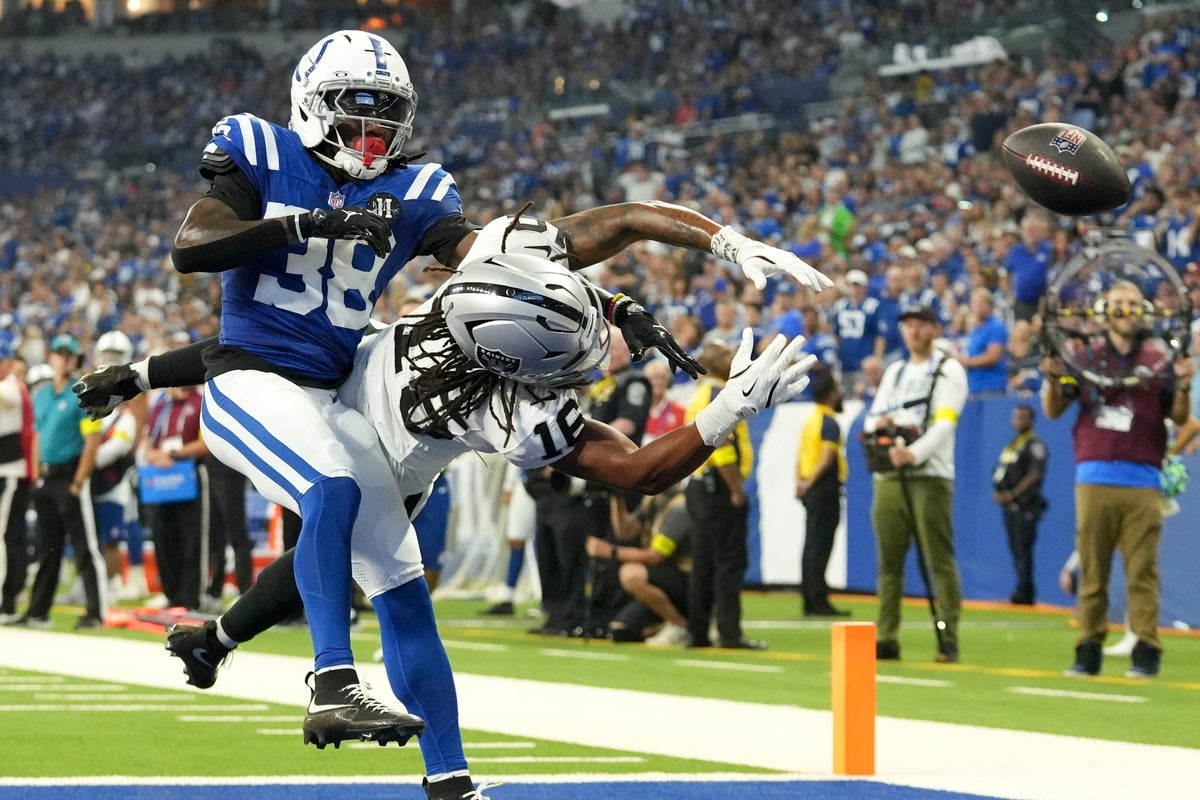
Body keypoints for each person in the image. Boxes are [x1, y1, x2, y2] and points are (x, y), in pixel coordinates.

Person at [73, 208, 828, 800]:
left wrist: (714, 247)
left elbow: (621, 222)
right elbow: (637, 473)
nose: (596, 349)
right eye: (574, 351)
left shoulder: (491, 278)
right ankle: (442, 774)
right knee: (398, 591)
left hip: (347, 383)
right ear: (514, 365)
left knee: (325, 537)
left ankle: (213, 642)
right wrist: (728, 409)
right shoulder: (508, 409)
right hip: (366, 460)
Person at [1042, 280, 1194, 679]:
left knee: (1142, 571)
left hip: (1143, 477)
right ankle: (1088, 648)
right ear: (1104, 310)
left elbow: (1180, 417)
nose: (1124, 309)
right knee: (1093, 570)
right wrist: (1053, 378)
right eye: (1117, 303)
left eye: (1131, 302)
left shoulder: (1158, 360)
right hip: (1094, 474)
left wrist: (1183, 384)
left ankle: (1146, 650)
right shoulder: (1086, 357)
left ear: (1143, 309)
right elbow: (1055, 408)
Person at [863, 304, 968, 663]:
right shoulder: (894, 371)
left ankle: (948, 635)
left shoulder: (949, 369)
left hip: (929, 474)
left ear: (934, 329)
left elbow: (945, 422)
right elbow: (870, 420)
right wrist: (880, 426)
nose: (914, 332)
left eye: (921, 325)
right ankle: (886, 635)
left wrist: (915, 452)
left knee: (938, 559)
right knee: (888, 563)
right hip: (890, 475)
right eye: (908, 325)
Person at [13, 334, 104, 630]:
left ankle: (96, 611)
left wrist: (78, 481)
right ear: (51, 357)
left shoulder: (82, 393)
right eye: (59, 353)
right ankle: (39, 611)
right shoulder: (41, 396)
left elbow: (92, 441)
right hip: (47, 477)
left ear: (76, 359)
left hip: (70, 474)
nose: (63, 359)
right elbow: (38, 436)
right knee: (47, 548)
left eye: (69, 354)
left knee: (83, 547)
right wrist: (36, 475)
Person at [682, 341, 767, 651]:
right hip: (718, 487)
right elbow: (721, 444)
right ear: (715, 364)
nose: (735, 360)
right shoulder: (719, 393)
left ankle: (698, 632)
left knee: (703, 562)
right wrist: (735, 488)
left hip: (698, 485)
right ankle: (729, 633)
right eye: (728, 356)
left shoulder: (700, 394)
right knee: (729, 562)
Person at [586, 486, 691, 646]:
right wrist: (617, 497)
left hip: (685, 578)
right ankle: (662, 623)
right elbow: (625, 532)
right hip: (662, 580)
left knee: (631, 574)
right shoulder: (652, 499)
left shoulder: (679, 506)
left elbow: (655, 556)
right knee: (620, 631)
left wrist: (610, 551)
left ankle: (679, 626)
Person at [89, 331, 147, 601]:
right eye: (107, 355)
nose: (110, 360)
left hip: (123, 464)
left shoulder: (134, 384)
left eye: (116, 356)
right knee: (101, 527)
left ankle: (135, 575)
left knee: (128, 522)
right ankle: (103, 579)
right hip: (100, 465)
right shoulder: (93, 381)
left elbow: (133, 431)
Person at [794, 371, 850, 618]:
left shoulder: (811, 420)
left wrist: (800, 482)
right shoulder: (830, 422)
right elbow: (826, 459)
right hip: (824, 489)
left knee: (810, 545)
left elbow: (800, 456)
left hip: (809, 487)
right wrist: (810, 483)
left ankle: (810, 599)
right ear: (831, 395)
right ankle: (818, 601)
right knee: (821, 545)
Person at [990, 403, 1048, 606]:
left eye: (1023, 417)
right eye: (1015, 417)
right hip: (1009, 505)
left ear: (1032, 421)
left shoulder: (1035, 445)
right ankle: (1021, 589)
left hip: (1026, 505)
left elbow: (1035, 473)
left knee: (1024, 549)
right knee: (1015, 548)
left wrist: (1014, 494)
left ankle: (1025, 592)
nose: (1018, 421)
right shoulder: (1012, 444)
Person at [0, 340, 33, 623]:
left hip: (10, 471)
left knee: (7, 537)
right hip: (6, 470)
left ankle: (7, 599)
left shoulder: (11, 385)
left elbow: (5, 397)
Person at [956, 288, 1009, 396]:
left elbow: (992, 357)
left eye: (981, 303)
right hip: (974, 387)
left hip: (992, 387)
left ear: (990, 306)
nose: (978, 307)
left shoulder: (996, 326)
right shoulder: (975, 329)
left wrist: (965, 362)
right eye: (975, 303)